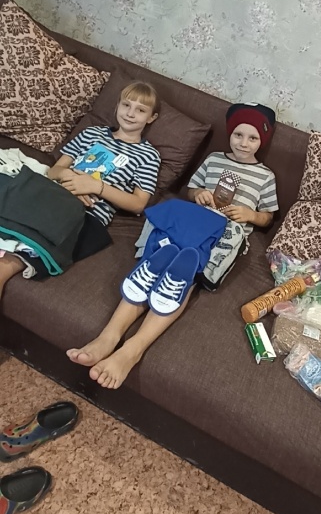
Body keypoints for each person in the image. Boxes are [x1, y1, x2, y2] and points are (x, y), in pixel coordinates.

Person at [66, 102, 279, 389]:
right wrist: (199, 194)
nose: (244, 143)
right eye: (238, 135)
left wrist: (251, 215)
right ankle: (108, 337)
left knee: (185, 267)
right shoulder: (215, 159)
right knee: (157, 262)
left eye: (252, 138)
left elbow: (268, 217)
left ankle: (132, 350)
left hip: (224, 231)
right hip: (191, 221)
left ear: (262, 141)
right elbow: (191, 190)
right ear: (230, 133)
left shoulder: (266, 176)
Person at [0, 81, 161, 299]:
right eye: (126, 105)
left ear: (151, 117)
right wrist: (71, 177)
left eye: (140, 110)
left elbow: (138, 204)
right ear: (117, 106)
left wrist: (96, 186)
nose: (130, 113)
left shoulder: (148, 156)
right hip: (51, 195)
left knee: (5, 267)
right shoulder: (91, 134)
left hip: (85, 214)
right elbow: (54, 171)